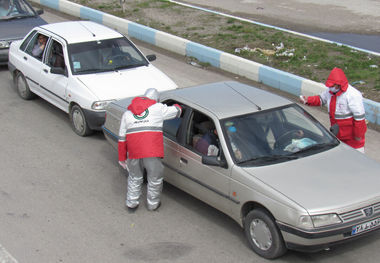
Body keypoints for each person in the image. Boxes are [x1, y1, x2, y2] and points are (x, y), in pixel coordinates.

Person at [118, 88, 181, 212]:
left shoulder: (127, 114)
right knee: (154, 178)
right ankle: (152, 204)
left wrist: (122, 158)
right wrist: (177, 104)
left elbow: (121, 138)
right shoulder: (158, 108)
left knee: (134, 177)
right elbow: (177, 111)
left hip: (134, 152)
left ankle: (132, 202)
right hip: (152, 152)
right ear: (156, 100)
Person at [300, 67, 367, 153]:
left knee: (357, 161)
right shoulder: (330, 92)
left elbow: (359, 119)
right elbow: (320, 99)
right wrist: (307, 100)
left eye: (332, 86)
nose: (330, 87)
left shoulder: (352, 95)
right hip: (338, 135)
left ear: (338, 84)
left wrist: (358, 136)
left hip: (352, 138)